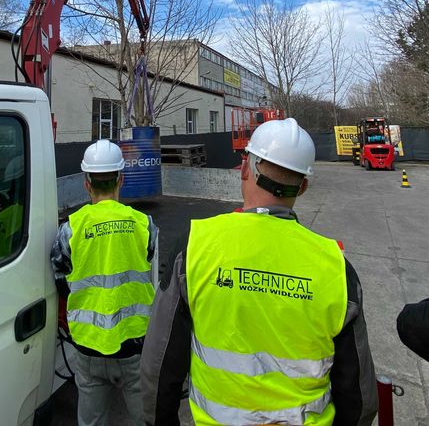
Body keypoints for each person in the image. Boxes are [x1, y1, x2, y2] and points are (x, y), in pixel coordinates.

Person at [141, 118, 378, 426]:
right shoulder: (335, 267)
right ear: (303, 187)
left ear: (244, 169)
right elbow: (359, 395)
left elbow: (159, 362)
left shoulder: (196, 246)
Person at [51, 139, 157, 426]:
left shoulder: (70, 228)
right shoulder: (144, 224)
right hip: (134, 344)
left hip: (88, 346)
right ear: (121, 179)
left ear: (87, 184)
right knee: (146, 420)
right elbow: (147, 259)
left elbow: (60, 276)